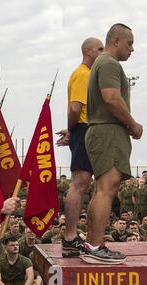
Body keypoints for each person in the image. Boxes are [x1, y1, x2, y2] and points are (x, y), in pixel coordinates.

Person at [83, 23, 143, 263]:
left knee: (102, 189)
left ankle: (92, 244)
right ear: (116, 40)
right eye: (129, 43)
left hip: (104, 131)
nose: (132, 49)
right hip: (108, 131)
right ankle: (96, 247)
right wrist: (133, 123)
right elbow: (111, 98)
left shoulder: (102, 63)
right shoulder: (109, 63)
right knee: (106, 189)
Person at [55, 37, 104, 254]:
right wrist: (73, 130)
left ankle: (74, 236)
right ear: (88, 51)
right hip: (84, 129)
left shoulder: (87, 75)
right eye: (100, 49)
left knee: (84, 184)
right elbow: (75, 109)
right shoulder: (83, 74)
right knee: (79, 183)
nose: (103, 52)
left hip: (86, 129)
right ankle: (70, 236)